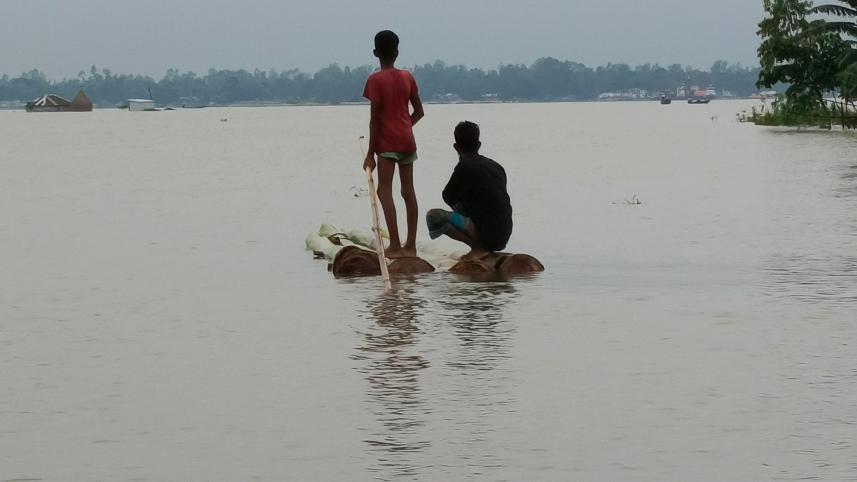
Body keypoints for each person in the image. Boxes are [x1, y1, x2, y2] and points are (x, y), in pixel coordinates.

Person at [362, 30, 425, 259]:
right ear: (397, 52)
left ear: (375, 52)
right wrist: (405, 126)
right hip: (407, 142)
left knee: (384, 190)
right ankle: (412, 246)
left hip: (387, 144)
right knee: (408, 192)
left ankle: (396, 245)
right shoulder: (407, 77)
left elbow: (375, 119)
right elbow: (419, 112)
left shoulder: (374, 80)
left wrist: (370, 154)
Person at [426, 121, 513, 260]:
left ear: (456, 147)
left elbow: (447, 196)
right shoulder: (496, 166)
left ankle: (477, 248)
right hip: (505, 232)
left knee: (433, 216)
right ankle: (482, 245)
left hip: (485, 232)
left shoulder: (464, 166)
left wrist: (461, 206)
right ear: (479, 145)